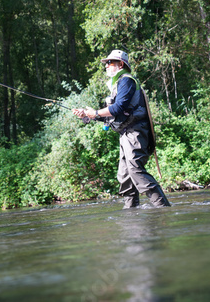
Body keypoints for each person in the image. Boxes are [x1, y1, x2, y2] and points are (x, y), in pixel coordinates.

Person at [73, 50, 170, 209]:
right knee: (125, 176)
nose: (106, 66)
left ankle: (163, 208)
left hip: (135, 133)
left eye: (109, 63)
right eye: (106, 64)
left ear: (121, 64)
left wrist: (95, 112)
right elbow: (113, 115)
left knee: (136, 171)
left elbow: (118, 108)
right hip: (126, 135)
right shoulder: (118, 84)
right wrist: (87, 115)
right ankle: (131, 213)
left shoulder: (126, 81)